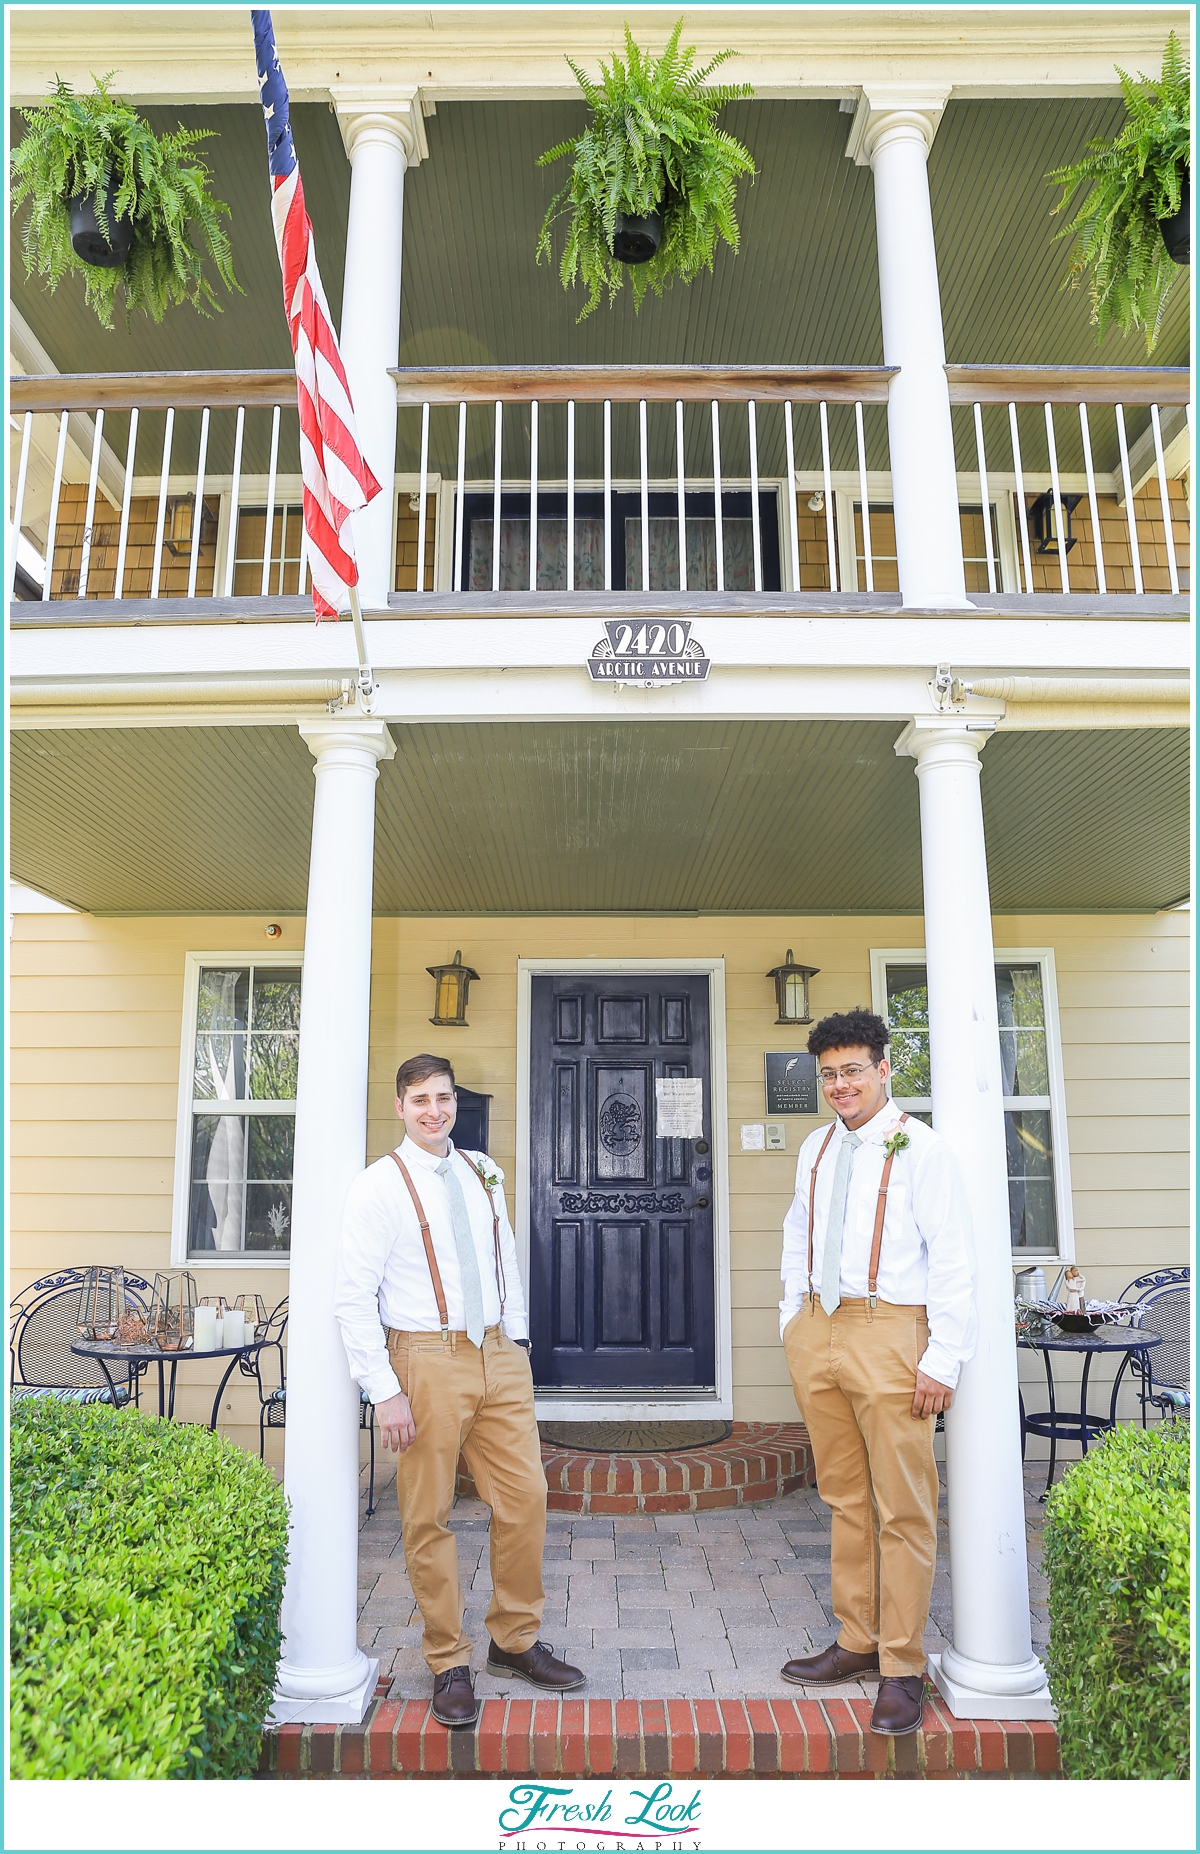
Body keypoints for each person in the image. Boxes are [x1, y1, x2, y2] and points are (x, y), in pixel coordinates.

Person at [334, 1053, 583, 1727]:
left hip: (499, 1353)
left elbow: (504, 1256)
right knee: (428, 1513)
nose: (434, 1110)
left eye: (443, 1098)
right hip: (426, 1358)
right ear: (400, 1106)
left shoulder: (481, 1170)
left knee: (526, 1497)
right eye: (421, 1100)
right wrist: (384, 1391)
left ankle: (514, 1640)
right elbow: (352, 1298)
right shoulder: (377, 1187)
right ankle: (448, 1659)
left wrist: (519, 1341)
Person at [778, 1008, 977, 1736]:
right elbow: (798, 1228)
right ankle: (856, 1640)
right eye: (829, 1074)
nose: (840, 1085)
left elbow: (953, 1258)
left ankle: (902, 1664)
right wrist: (790, 1317)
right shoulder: (816, 1148)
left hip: (892, 1331)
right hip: (819, 1329)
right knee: (845, 1496)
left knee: (904, 1506)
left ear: (884, 1069)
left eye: (853, 1070)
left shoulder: (922, 1150)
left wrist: (942, 1356)